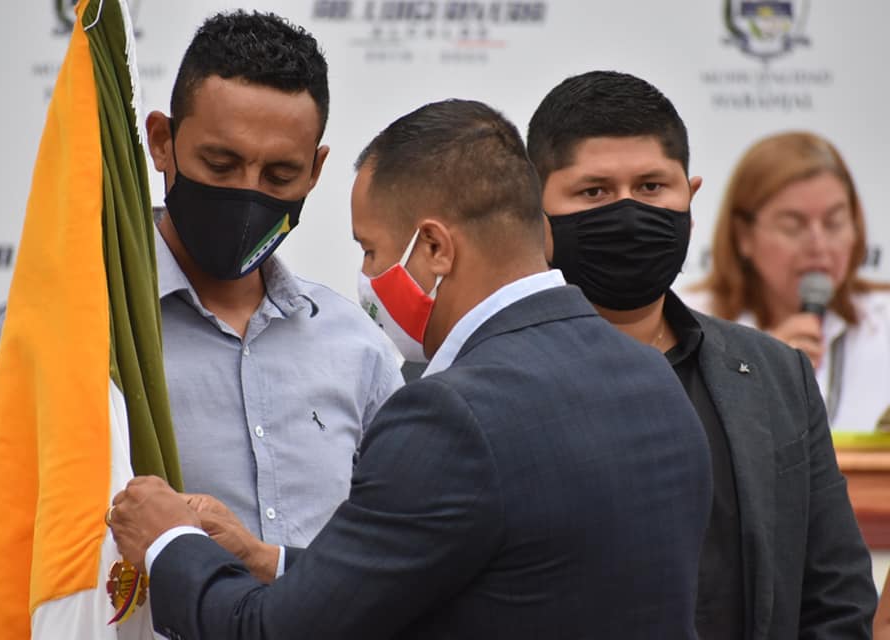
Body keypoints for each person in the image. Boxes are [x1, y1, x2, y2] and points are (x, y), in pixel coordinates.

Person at [107, 98, 713, 639]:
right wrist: (268, 560)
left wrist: (170, 542)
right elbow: (482, 578)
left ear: (434, 248)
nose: (367, 278)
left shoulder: (449, 417)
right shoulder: (651, 377)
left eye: (370, 249)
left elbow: (271, 631)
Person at [0, 10, 401, 637]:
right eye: (220, 164)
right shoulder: (60, 337)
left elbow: (398, 578)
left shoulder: (360, 351)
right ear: (160, 141)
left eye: (279, 175)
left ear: (315, 170)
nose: (248, 193)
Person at [527, 70, 877, 639]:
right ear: (534, 212)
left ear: (689, 199)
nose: (628, 214)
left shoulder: (776, 376)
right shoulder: (488, 384)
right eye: (594, 192)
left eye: (651, 187)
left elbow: (837, 598)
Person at [688, 131, 890, 432]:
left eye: (834, 222)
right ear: (743, 235)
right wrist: (759, 372)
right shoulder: (688, 324)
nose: (819, 245)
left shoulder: (882, 321)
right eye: (793, 225)